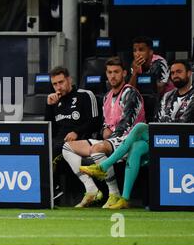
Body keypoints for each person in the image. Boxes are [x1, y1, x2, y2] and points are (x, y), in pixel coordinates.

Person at [80, 60, 194, 209]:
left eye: (179, 72)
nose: (175, 75)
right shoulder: (167, 96)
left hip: (187, 141)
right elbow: (158, 120)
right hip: (163, 140)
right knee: (137, 146)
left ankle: (104, 166)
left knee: (140, 127)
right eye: (172, 73)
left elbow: (186, 123)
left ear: (189, 73)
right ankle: (125, 198)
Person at [62, 56, 146, 208]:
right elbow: (105, 124)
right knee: (68, 147)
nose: (113, 76)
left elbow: (127, 125)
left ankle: (114, 193)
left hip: (128, 140)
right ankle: (91, 190)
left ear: (124, 73)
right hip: (111, 141)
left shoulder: (130, 93)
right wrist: (103, 130)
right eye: (109, 72)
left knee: (97, 149)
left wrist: (108, 137)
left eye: (116, 72)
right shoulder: (107, 97)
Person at [44, 66, 101, 201]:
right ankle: (52, 190)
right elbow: (49, 129)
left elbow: (96, 122)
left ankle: (52, 190)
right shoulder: (55, 101)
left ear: (69, 80)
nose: (58, 87)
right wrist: (49, 106)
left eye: (61, 82)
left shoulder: (85, 95)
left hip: (81, 141)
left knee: (56, 148)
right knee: (44, 148)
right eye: (55, 84)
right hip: (59, 142)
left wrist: (77, 132)